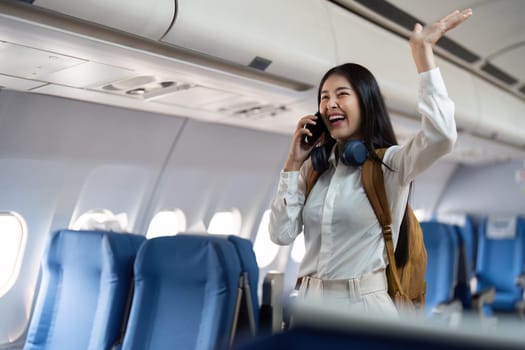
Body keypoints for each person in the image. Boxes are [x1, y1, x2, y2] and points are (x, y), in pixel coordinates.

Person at [269, 9, 473, 316]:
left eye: (341, 94)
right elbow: (280, 235)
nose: (330, 103)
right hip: (310, 306)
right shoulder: (315, 169)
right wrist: (292, 163)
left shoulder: (390, 165)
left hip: (363, 306)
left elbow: (441, 135)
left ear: (365, 103)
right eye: (324, 97)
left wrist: (423, 56)